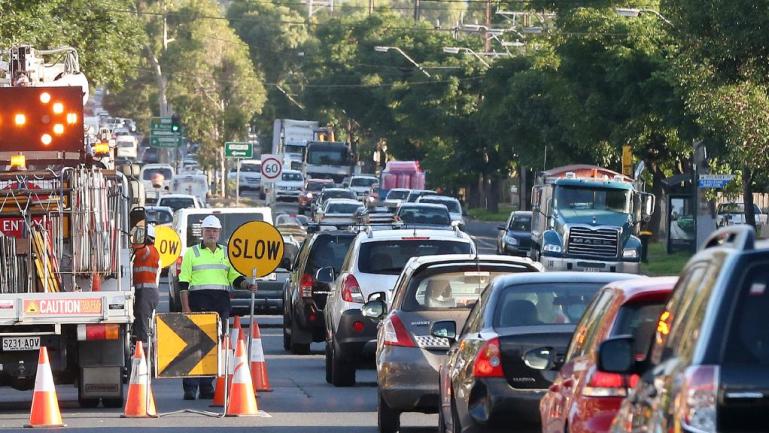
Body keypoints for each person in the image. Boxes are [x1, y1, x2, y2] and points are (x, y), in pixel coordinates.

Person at [178, 215, 256, 400]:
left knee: (213, 347)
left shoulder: (226, 253)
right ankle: (190, 388)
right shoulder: (192, 253)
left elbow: (234, 278)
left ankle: (206, 386)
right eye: (208, 230)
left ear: (219, 233)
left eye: (214, 230)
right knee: (194, 347)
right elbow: (183, 284)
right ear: (202, 232)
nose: (211, 234)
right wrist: (185, 308)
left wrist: (247, 285)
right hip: (198, 302)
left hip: (220, 304)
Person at [132, 224, 160, 345]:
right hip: (146, 292)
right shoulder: (151, 251)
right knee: (141, 323)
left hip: (146, 292)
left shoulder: (147, 250)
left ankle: (144, 354)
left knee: (143, 327)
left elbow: (135, 250)